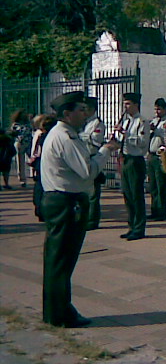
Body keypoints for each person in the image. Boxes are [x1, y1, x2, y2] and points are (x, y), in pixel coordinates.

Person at [40, 91, 119, 327]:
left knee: (58, 259)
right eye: (81, 110)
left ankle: (56, 310)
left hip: (62, 201)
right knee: (62, 260)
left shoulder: (65, 134)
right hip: (67, 202)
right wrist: (106, 151)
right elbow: (87, 171)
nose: (85, 114)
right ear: (67, 113)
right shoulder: (66, 137)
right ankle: (60, 313)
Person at [115, 92, 150, 241]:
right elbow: (120, 139)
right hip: (126, 159)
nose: (126, 107)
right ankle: (131, 226)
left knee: (136, 196)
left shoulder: (142, 121)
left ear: (136, 105)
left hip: (136, 160)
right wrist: (118, 134)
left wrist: (127, 134)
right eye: (125, 104)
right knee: (127, 195)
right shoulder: (126, 121)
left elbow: (143, 142)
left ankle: (139, 228)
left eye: (128, 104)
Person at [78, 97, 106, 231]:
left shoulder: (97, 123)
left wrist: (83, 136)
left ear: (93, 109)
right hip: (82, 158)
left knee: (93, 193)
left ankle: (92, 220)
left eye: (87, 109)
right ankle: (84, 217)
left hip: (92, 157)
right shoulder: (83, 123)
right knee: (84, 191)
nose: (84, 111)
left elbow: (96, 141)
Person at [147, 98, 166, 221]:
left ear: (165, 110)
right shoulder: (154, 121)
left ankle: (162, 211)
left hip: (160, 155)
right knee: (153, 186)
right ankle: (154, 210)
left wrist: (157, 130)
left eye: (159, 109)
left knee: (161, 184)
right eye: (156, 109)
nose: (157, 111)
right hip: (151, 154)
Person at [29, 115, 56, 220]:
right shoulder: (51, 136)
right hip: (45, 162)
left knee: (39, 186)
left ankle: (39, 208)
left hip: (40, 162)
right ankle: (42, 209)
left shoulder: (42, 135)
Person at [10, 108, 33, 188]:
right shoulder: (16, 124)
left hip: (29, 143)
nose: (25, 115)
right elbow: (12, 133)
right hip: (20, 143)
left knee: (33, 159)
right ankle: (22, 180)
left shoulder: (28, 123)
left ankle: (34, 174)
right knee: (20, 162)